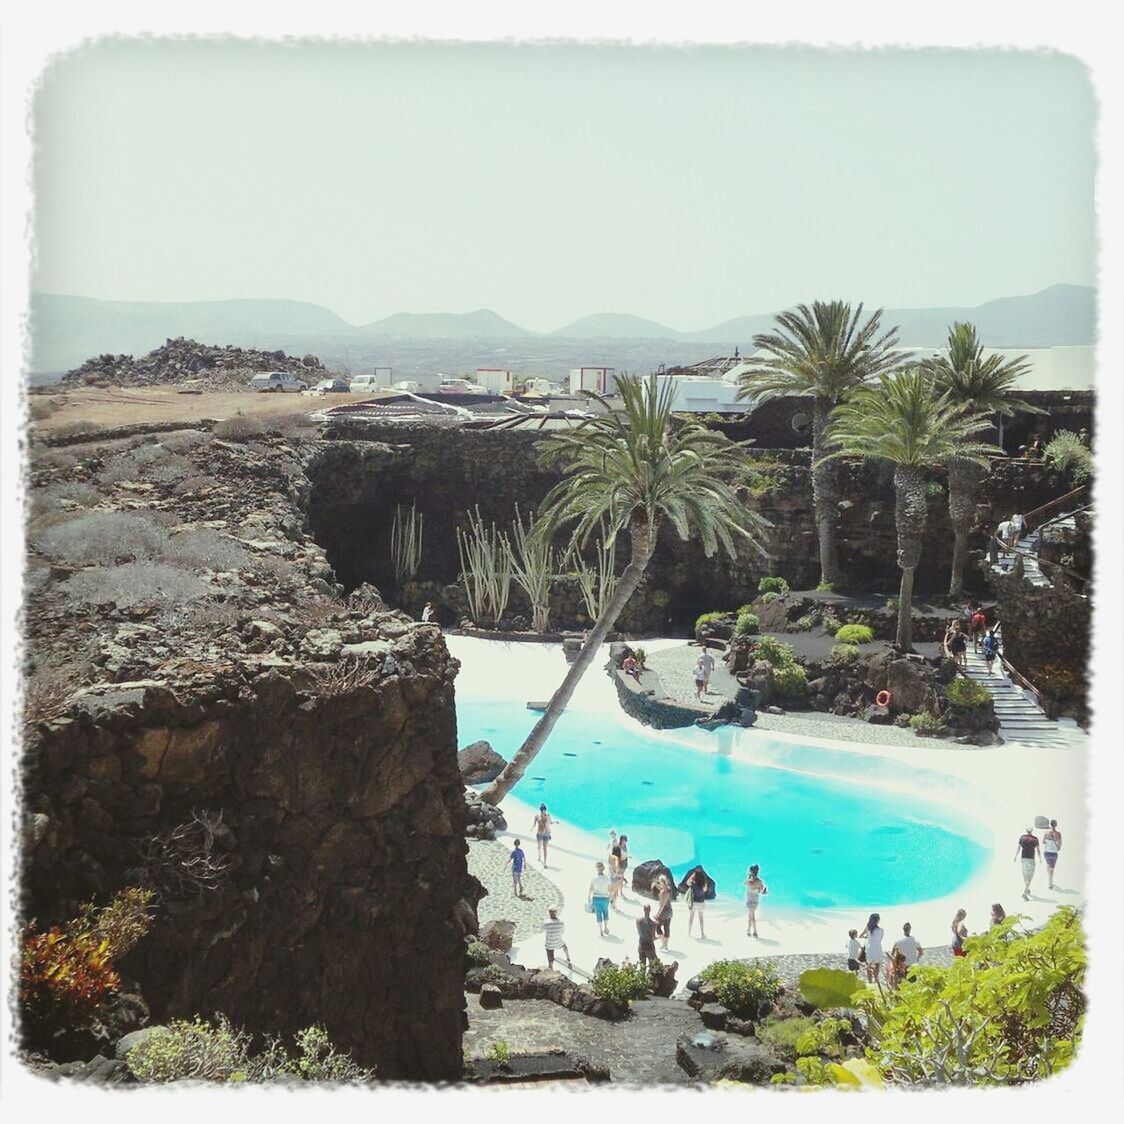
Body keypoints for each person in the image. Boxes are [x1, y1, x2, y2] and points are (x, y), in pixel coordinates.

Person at [1015, 825, 1040, 900]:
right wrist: (1040, 858)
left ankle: (1027, 888)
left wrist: (1015, 856)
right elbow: (1038, 849)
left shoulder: (1022, 837)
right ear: (1032, 831)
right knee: (1030, 877)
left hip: (1023, 859)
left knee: (1025, 876)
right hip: (1031, 859)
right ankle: (1025, 893)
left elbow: (1019, 847)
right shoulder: (1035, 839)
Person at [588, 861, 612, 936]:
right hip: (605, 898)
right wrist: (611, 898)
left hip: (596, 898)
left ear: (596, 869)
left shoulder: (594, 879)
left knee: (598, 914)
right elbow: (609, 889)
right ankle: (606, 927)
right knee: (605, 912)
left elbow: (591, 889)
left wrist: (588, 897)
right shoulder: (607, 879)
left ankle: (600, 930)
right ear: (603, 869)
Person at [745, 864, 768, 938]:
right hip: (756, 901)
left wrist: (749, 878)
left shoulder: (749, 881)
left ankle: (755, 932)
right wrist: (763, 890)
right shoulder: (760, 881)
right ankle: (748, 930)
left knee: (752, 916)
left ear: (751, 871)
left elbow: (745, 883)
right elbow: (762, 892)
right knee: (750, 916)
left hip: (750, 901)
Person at [860, 913, 884, 983]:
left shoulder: (867, 928)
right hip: (878, 949)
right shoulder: (881, 930)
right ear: (878, 920)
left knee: (868, 965)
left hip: (869, 949)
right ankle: (876, 980)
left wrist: (866, 937)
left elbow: (860, 936)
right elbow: (880, 939)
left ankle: (870, 981)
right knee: (877, 965)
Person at [685, 868, 707, 939]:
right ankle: (702, 933)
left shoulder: (693, 883)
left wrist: (693, 875)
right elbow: (705, 890)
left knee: (691, 918)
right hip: (701, 903)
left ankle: (689, 932)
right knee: (701, 919)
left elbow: (687, 882)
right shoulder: (703, 884)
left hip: (693, 902)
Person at [653, 874, 674, 950]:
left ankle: (663, 942)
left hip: (664, 912)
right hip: (670, 911)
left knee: (657, 927)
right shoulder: (668, 889)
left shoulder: (663, 893)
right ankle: (666, 945)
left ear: (662, 882)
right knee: (667, 928)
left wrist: (657, 915)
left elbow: (662, 906)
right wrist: (656, 885)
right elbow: (662, 888)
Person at [1043, 819, 1063, 890]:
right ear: (1056, 825)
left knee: (1048, 866)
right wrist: (1057, 845)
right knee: (1052, 868)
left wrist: (1049, 842)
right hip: (1054, 853)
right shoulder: (1059, 834)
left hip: (1047, 852)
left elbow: (1043, 841)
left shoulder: (1046, 832)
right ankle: (1050, 882)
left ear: (1050, 825)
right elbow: (1060, 844)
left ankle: (1050, 879)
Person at [609, 845, 626, 911]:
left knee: (611, 891)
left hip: (610, 876)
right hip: (615, 877)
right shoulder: (616, 859)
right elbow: (616, 868)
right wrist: (620, 875)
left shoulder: (610, 856)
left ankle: (612, 903)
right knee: (615, 893)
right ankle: (613, 906)